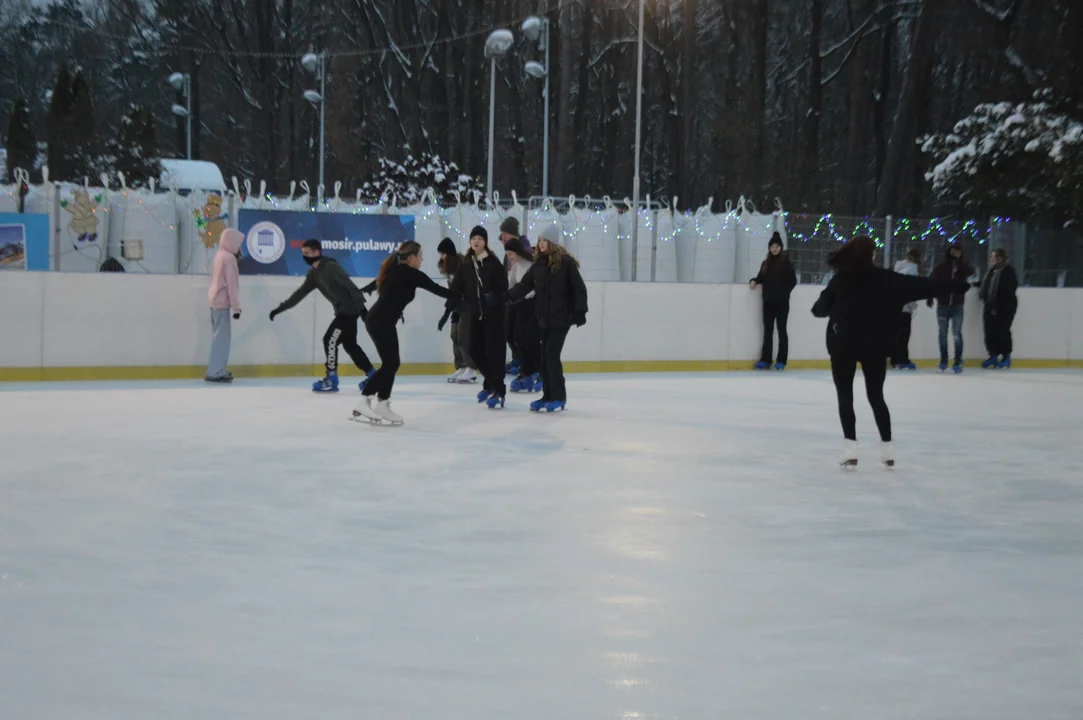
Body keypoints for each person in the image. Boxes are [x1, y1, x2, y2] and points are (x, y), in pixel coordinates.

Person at [811, 236, 968, 468]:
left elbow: (819, 310)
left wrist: (835, 307)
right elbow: (924, 286)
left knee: (845, 396)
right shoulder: (887, 279)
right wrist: (956, 285)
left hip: (843, 344)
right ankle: (887, 450)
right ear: (872, 255)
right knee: (876, 396)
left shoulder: (840, 280)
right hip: (875, 346)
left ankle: (851, 449)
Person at [352, 242, 460, 424]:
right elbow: (437, 289)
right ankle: (364, 400)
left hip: (381, 321)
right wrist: (465, 297)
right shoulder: (408, 273)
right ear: (412, 258)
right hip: (380, 322)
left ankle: (383, 405)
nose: (422, 259)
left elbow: (379, 286)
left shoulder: (395, 270)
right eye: (420, 255)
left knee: (392, 363)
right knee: (391, 364)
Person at [268, 238, 376, 392]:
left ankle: (331, 378)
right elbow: (299, 294)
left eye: (306, 253)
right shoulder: (314, 274)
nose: (304, 257)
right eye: (302, 253)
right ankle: (373, 375)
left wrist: (362, 309)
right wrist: (279, 309)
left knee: (329, 340)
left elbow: (350, 286)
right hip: (343, 312)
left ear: (316, 252)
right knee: (350, 345)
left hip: (349, 311)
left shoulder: (331, 267)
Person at [507, 223, 588, 413]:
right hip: (544, 318)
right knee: (545, 357)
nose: (541, 244)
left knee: (551, 355)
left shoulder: (565, 263)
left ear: (552, 242)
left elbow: (579, 289)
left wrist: (580, 312)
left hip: (561, 318)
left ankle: (559, 397)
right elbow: (524, 286)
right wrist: (505, 297)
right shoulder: (539, 265)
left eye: (544, 240)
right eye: (540, 240)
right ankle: (547, 396)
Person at [449, 226, 509, 409]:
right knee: (474, 350)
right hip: (474, 315)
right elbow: (457, 288)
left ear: (485, 242)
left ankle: (498, 390)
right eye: (473, 238)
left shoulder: (493, 263)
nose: (476, 241)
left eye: (480, 239)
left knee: (494, 353)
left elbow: (503, 287)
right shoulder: (466, 264)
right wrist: (451, 307)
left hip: (493, 316)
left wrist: (494, 297)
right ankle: (491, 382)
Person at [749, 232, 797, 370]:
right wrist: (753, 281)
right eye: (772, 246)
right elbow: (760, 278)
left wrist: (784, 293)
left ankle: (781, 360)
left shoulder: (786, 263)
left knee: (781, 330)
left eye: (777, 246)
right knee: (768, 331)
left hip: (782, 303)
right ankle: (766, 359)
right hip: (768, 302)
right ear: (769, 248)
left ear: (781, 248)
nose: (774, 249)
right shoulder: (766, 264)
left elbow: (792, 281)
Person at [927, 244, 975, 373]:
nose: (955, 254)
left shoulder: (962, 267)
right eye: (954, 251)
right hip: (943, 305)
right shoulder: (941, 267)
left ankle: (958, 360)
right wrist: (930, 296)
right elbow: (932, 281)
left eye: (958, 252)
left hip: (957, 306)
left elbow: (971, 272)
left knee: (956, 334)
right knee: (942, 334)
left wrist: (959, 263)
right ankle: (944, 359)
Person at [436, 238, 477, 383]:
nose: (441, 257)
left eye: (443, 254)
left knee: (463, 336)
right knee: (454, 334)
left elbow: (459, 290)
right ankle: (461, 365)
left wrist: (446, 314)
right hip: (457, 305)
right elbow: (451, 292)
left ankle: (471, 367)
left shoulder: (462, 266)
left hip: (467, 305)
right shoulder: (449, 269)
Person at [504, 237, 542, 393]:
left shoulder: (531, 266)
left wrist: (525, 296)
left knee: (526, 338)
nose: (509, 258)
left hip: (530, 305)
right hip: (516, 304)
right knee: (511, 336)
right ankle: (524, 369)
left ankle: (534, 370)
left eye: (511, 254)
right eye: (507, 254)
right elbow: (511, 284)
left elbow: (534, 286)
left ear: (518, 252)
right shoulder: (515, 267)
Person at [205, 228, 243, 383]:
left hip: (214, 301)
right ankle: (215, 371)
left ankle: (216, 368)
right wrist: (236, 307)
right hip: (221, 302)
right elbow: (231, 285)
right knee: (222, 339)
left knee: (217, 337)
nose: (240, 248)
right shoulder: (229, 258)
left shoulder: (219, 255)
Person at [499, 216, 532, 375]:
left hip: (524, 300)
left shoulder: (524, 251)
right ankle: (517, 360)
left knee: (518, 333)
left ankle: (523, 362)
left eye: (505, 233)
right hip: (513, 297)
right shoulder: (509, 251)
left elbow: (528, 280)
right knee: (510, 331)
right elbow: (509, 276)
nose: (502, 237)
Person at [979, 248, 1019, 369]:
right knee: (989, 331)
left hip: (1004, 307)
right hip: (990, 305)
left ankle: (1006, 356)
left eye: (994, 257)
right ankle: (993, 356)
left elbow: (1008, 290)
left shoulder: (1008, 272)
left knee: (1002, 331)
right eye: (992, 257)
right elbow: (987, 284)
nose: (992, 259)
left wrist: (998, 306)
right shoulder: (992, 271)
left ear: (1001, 258)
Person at [890, 248, 923, 370]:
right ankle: (903, 360)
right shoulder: (913, 269)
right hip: (905, 307)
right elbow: (912, 289)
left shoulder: (898, 267)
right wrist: (912, 305)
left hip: (894, 306)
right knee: (904, 335)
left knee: (896, 334)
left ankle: (894, 359)